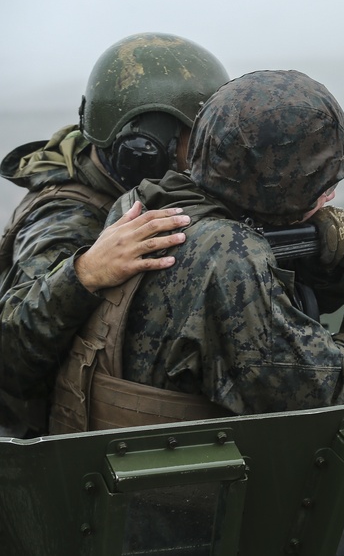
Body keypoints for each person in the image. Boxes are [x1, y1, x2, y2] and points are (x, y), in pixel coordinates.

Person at [48, 69, 344, 433]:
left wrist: (325, 263)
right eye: (319, 184)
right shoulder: (229, 256)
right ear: (278, 190)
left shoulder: (151, 203)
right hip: (184, 492)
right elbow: (333, 392)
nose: (330, 195)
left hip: (116, 469)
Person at [0, 32, 229, 437]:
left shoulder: (130, 185)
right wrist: (84, 273)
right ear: (147, 145)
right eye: (198, 138)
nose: (209, 153)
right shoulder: (68, 220)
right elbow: (8, 361)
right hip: (51, 457)